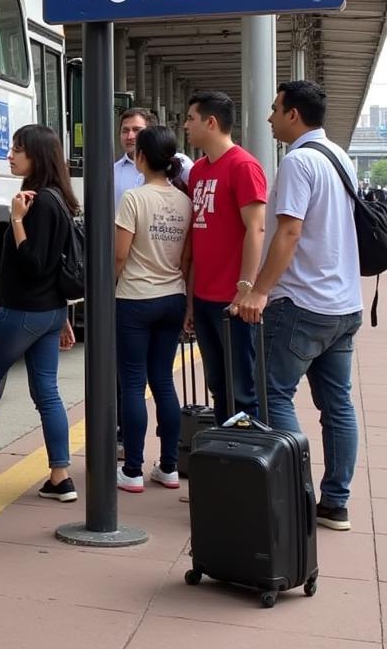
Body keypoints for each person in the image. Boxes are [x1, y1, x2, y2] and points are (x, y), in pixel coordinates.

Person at [232, 81, 363, 531]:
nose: (269, 118)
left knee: (274, 395)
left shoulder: (299, 162)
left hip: (302, 303)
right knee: (338, 405)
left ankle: (295, 495)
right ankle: (335, 502)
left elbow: (288, 233)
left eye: (274, 110)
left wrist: (259, 290)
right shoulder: (339, 157)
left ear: (293, 115)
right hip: (344, 306)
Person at [0, 124, 78, 500]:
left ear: (36, 156)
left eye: (17, 149)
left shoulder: (36, 203)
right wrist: (64, 318)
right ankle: (61, 477)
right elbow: (57, 268)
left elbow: (35, 264)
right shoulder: (60, 199)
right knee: (47, 393)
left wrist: (17, 220)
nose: (10, 154)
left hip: (23, 312)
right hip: (50, 312)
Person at [114, 126, 193, 493]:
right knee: (162, 380)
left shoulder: (133, 197)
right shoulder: (184, 201)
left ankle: (131, 469)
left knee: (132, 382)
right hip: (173, 297)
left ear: (142, 158)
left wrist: (109, 287)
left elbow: (119, 254)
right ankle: (170, 466)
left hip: (134, 298)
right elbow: (188, 258)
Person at [184, 90, 267, 423]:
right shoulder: (198, 171)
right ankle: (225, 458)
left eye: (191, 119)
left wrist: (245, 288)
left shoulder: (244, 166)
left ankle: (248, 462)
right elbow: (197, 237)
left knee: (243, 389)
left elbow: (256, 229)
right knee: (217, 386)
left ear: (211, 122)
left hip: (234, 302)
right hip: (204, 298)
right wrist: (190, 300)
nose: (186, 126)